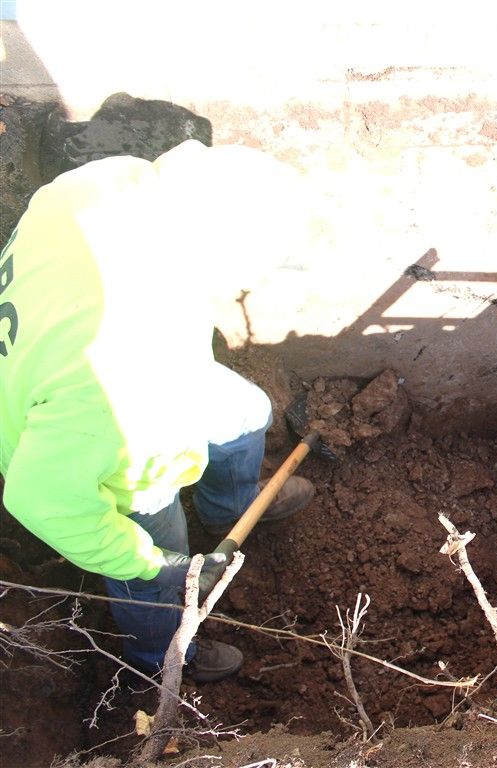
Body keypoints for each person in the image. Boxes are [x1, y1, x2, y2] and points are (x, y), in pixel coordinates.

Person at [0, 139, 314, 683]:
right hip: (88, 438)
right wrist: (154, 562)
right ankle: (163, 656)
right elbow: (39, 498)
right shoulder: (113, 381)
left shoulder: (110, 185)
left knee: (245, 413)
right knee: (152, 560)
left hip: (98, 371)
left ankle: (229, 510)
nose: (247, 286)